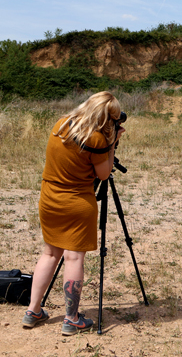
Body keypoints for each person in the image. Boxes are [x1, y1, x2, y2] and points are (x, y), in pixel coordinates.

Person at [21, 91, 125, 335]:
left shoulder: (62, 124)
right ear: (106, 117)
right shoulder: (97, 139)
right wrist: (113, 144)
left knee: (49, 253)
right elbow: (103, 173)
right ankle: (71, 319)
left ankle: (33, 311)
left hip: (49, 197)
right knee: (74, 258)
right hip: (77, 200)